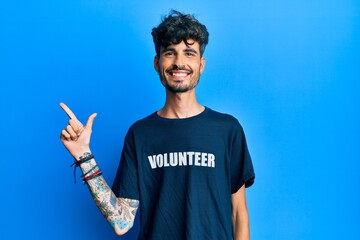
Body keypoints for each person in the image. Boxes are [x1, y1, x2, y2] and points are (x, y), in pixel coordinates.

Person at [60, 10, 255, 240]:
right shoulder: (140, 134)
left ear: (201, 64)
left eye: (189, 53)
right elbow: (122, 221)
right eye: (170, 53)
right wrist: (84, 157)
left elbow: (238, 214)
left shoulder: (227, 130)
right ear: (157, 62)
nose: (179, 62)